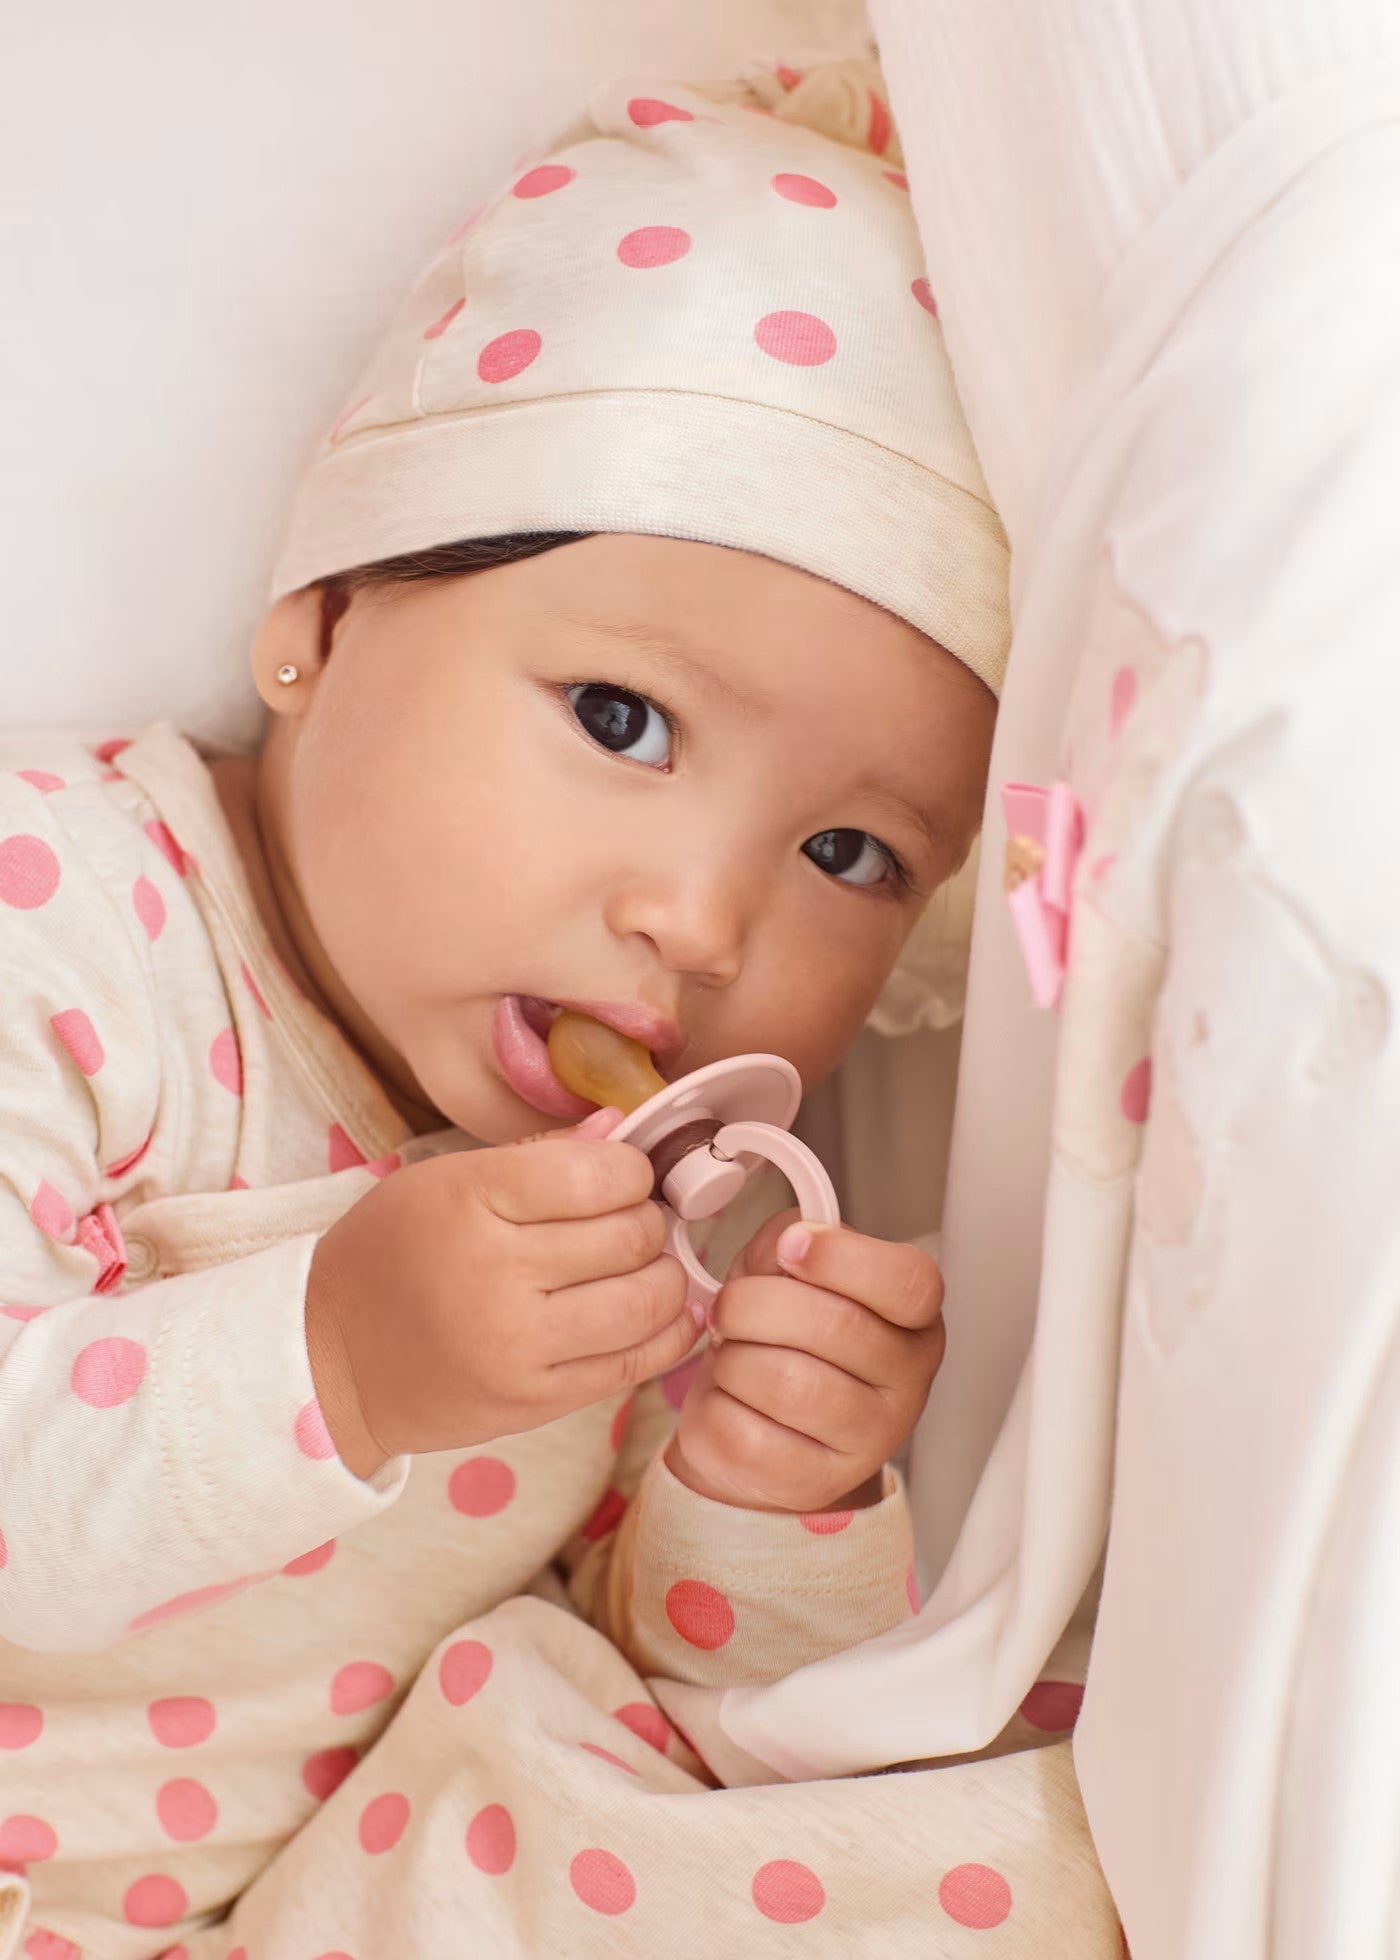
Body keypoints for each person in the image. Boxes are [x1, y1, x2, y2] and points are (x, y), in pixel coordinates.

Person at [0, 53, 1118, 1959]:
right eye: (623, 721)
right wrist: (336, 1358)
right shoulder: (65, 915)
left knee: (983, 1844)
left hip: (267, 1908)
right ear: (327, 617)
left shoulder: (675, 1194)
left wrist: (767, 1494)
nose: (699, 924)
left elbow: (667, 1707)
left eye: (847, 856)